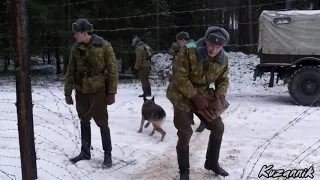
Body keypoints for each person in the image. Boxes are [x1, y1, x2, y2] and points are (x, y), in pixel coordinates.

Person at [166, 26, 230, 180]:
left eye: (218, 47)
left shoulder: (223, 58)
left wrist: (220, 97)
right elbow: (179, 77)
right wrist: (195, 97)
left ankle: (212, 163)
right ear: (206, 42)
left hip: (202, 93)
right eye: (211, 45)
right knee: (185, 132)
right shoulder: (188, 51)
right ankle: (184, 171)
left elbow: (223, 80)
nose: (213, 50)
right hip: (180, 93)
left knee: (218, 127)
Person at [64, 18, 118, 168]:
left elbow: (113, 70)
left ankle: (108, 155)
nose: (74, 36)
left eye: (76, 33)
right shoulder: (76, 48)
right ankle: (85, 152)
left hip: (98, 91)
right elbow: (70, 71)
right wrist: (68, 92)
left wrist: (112, 92)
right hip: (81, 91)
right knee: (84, 120)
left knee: (102, 123)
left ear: (84, 32)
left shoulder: (104, 46)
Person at [167, 31, 206, 132]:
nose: (178, 43)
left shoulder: (189, 48)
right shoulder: (189, 47)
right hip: (185, 81)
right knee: (188, 103)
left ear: (183, 40)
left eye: (179, 41)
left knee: (196, 102)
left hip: (189, 81)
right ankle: (191, 120)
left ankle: (204, 121)